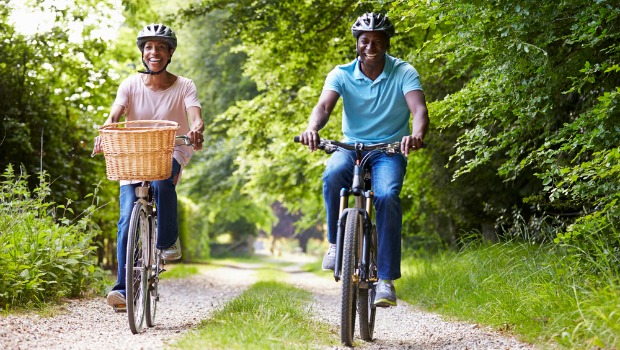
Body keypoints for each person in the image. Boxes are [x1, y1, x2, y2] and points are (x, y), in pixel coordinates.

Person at [298, 13, 429, 307]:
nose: (371, 46)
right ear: (357, 43)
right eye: (365, 41)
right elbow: (323, 106)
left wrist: (416, 135)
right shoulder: (341, 74)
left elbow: (419, 110)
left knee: (387, 194)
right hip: (351, 147)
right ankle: (334, 244)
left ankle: (385, 279)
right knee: (332, 175)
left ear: (386, 44)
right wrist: (312, 129)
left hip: (389, 150)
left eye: (378, 42)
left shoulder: (404, 72)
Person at [93, 23, 205, 311]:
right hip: (135, 154)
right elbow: (115, 114)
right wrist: (105, 133)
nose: (154, 52)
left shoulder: (185, 85)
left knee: (161, 180)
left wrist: (195, 130)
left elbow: (195, 117)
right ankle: (122, 290)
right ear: (143, 53)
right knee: (126, 218)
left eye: (160, 48)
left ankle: (167, 241)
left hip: (172, 149)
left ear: (169, 54)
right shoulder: (130, 84)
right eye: (149, 47)